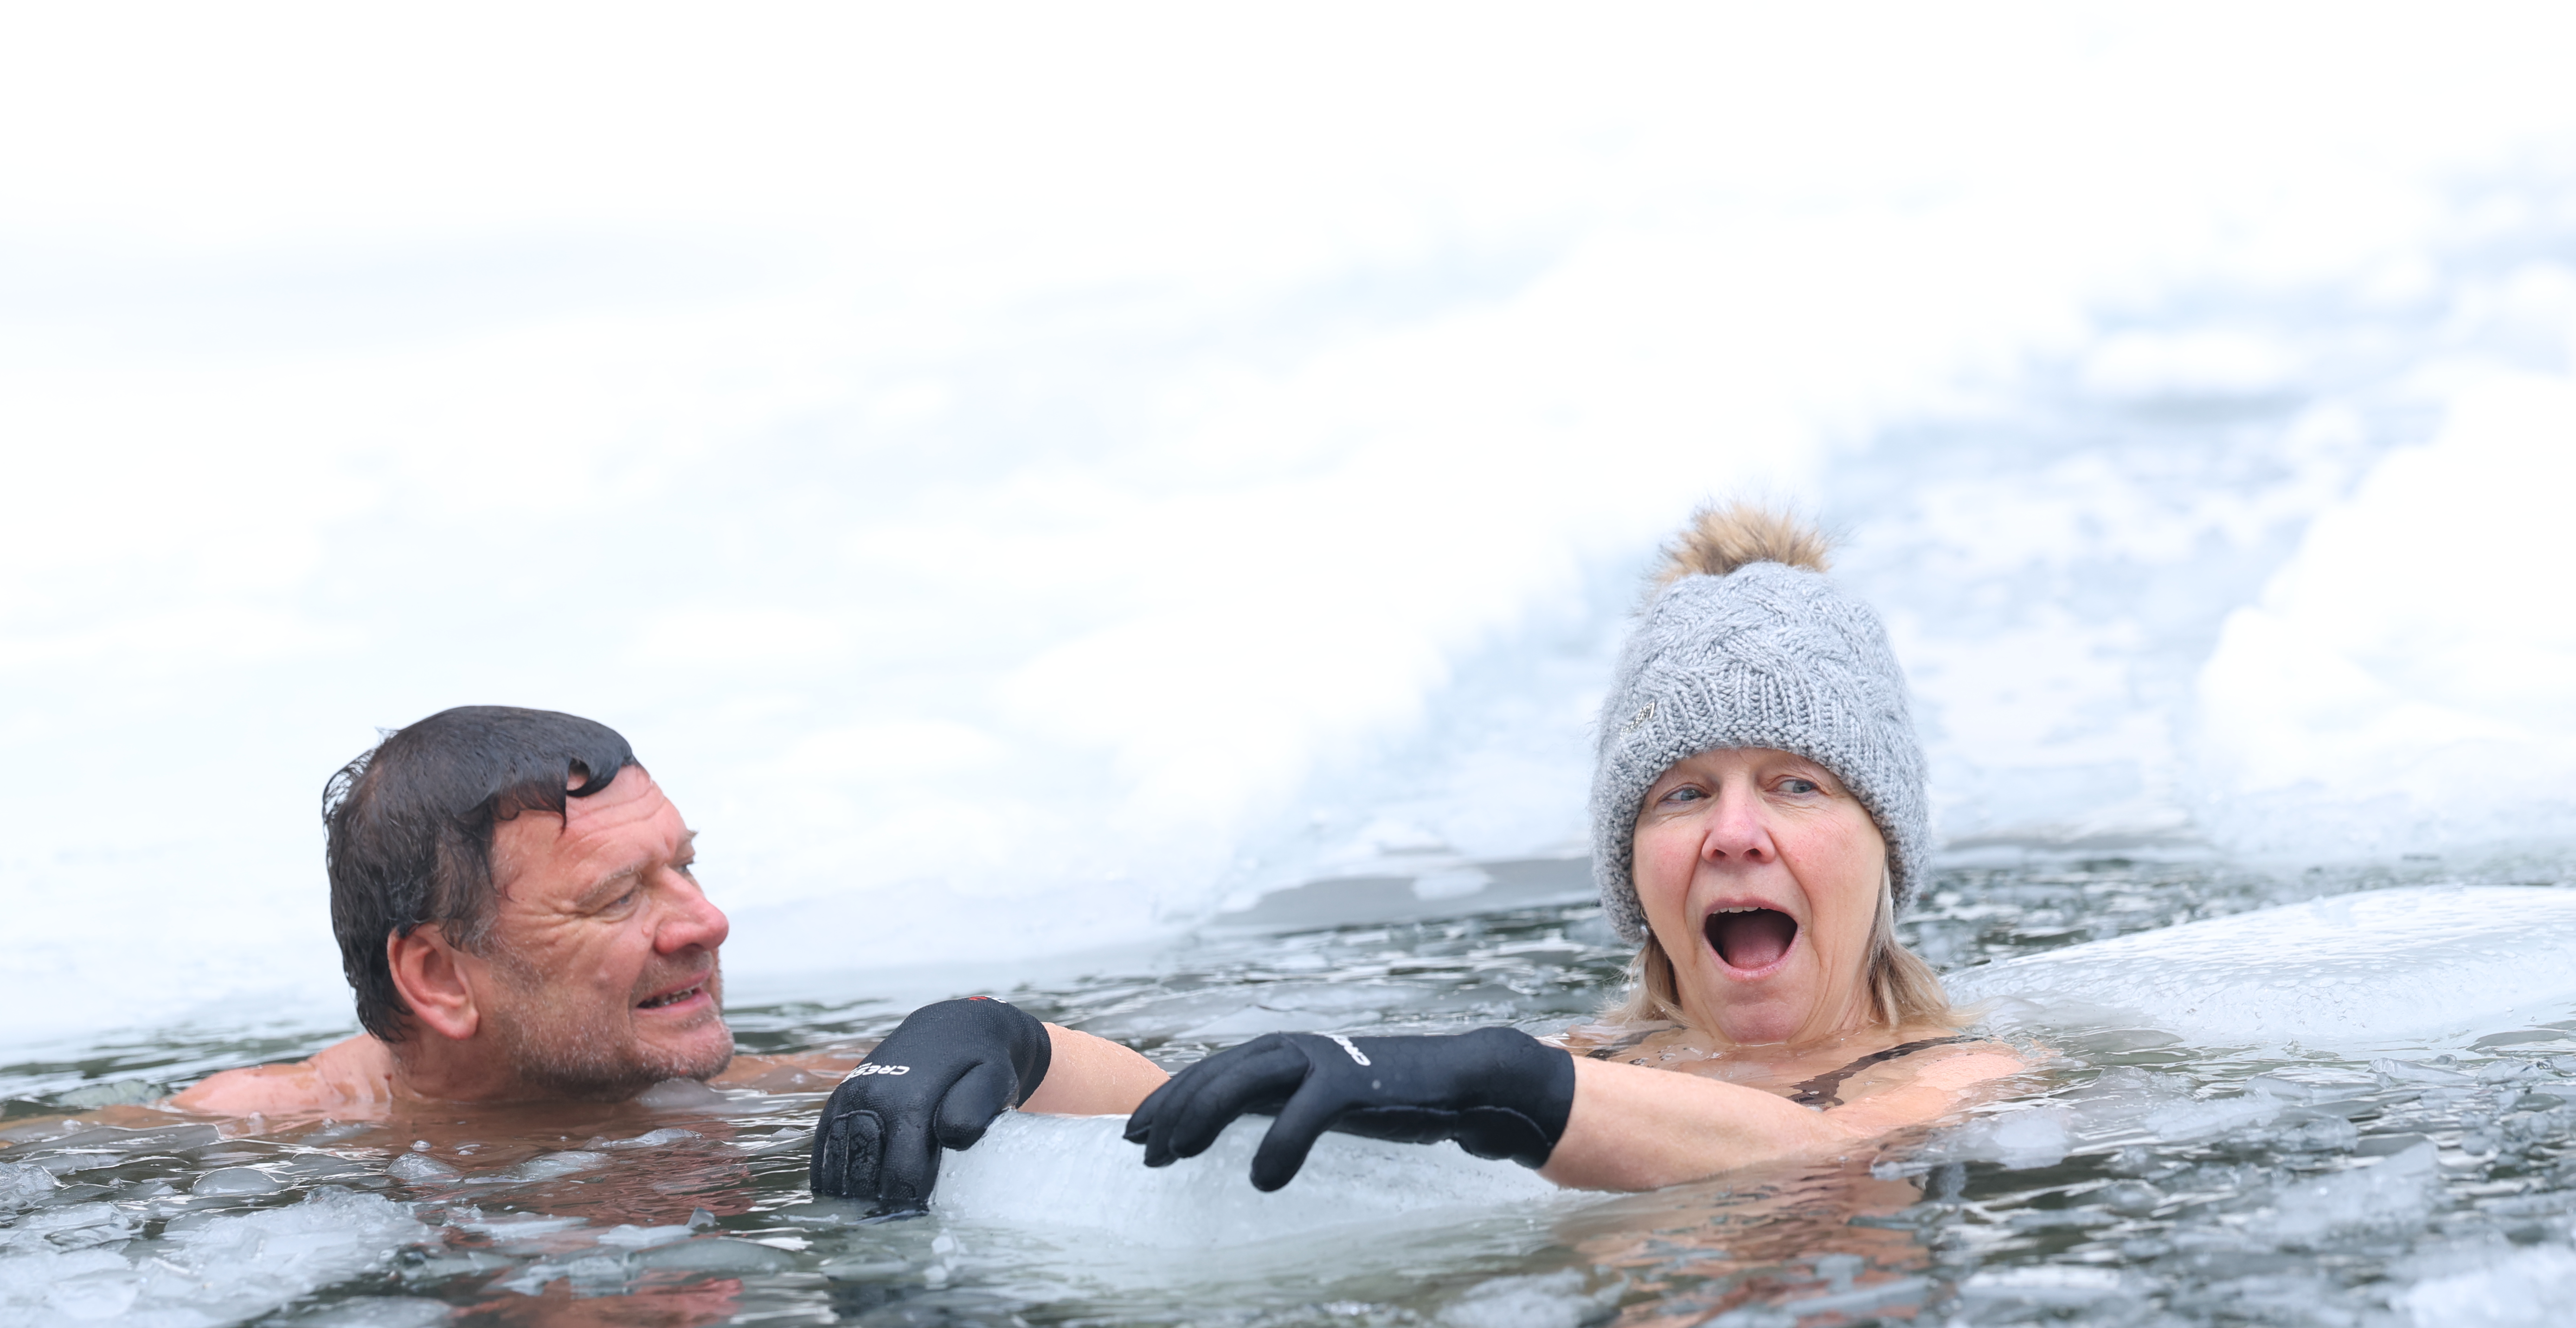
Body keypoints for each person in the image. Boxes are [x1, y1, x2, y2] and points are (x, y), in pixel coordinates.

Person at [1120, 503, 2025, 1195]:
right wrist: (1049, 1055)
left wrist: (1506, 1085)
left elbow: (1829, 1149)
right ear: (1630, 868)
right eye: (1683, 794)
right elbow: (1189, 1098)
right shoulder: (1586, 1068)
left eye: (1796, 785)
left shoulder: (1965, 1073)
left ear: (1886, 846)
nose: (1733, 834)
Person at [174, 706, 1167, 1203]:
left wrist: (1011, 1043)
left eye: (685, 867)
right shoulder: (250, 1140)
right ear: (438, 975)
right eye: (617, 896)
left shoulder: (702, 1096)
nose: (707, 923)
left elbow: (1179, 1115)